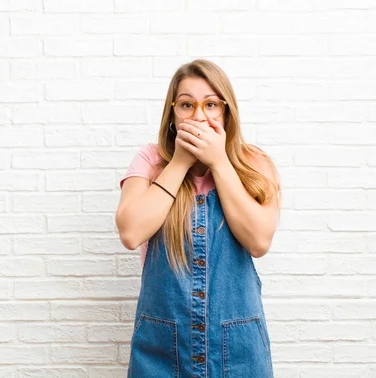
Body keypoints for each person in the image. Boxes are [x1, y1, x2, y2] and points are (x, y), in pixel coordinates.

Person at [115, 59, 281, 377]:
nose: (199, 115)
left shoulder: (254, 164)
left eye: (211, 104)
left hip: (238, 350)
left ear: (226, 112)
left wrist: (219, 162)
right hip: (162, 349)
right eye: (187, 105)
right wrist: (179, 162)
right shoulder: (151, 160)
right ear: (173, 114)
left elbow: (259, 241)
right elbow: (131, 232)